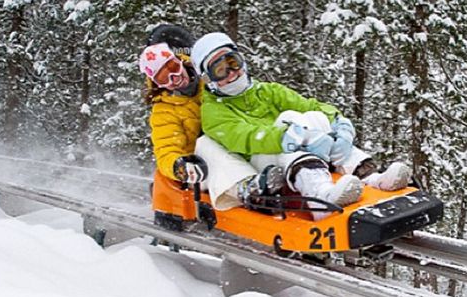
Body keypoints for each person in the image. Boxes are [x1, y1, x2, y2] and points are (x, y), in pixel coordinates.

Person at [189, 32, 411, 219]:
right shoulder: (213, 111)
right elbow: (243, 136)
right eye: (220, 70)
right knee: (288, 123)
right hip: (261, 160)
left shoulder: (267, 91)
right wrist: (292, 138)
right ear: (208, 79)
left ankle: (370, 177)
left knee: (307, 115)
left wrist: (338, 123)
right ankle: (320, 196)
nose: (231, 73)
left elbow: (309, 105)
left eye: (233, 62)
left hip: (296, 150)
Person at [138, 38, 282, 210]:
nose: (174, 77)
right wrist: (180, 166)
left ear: (179, 62)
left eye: (173, 68)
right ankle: (245, 188)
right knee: (206, 143)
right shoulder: (163, 112)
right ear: (157, 83)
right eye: (164, 77)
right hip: (201, 169)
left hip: (234, 145)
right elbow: (165, 150)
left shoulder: (208, 77)